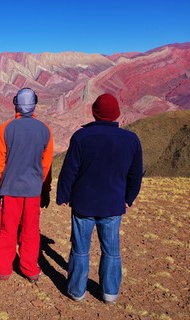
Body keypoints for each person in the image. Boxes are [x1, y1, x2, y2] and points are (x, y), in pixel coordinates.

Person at [56, 93, 143, 303]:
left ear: (94, 113)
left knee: (80, 249)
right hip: (113, 204)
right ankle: (110, 292)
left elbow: (70, 170)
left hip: (83, 203)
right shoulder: (131, 140)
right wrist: (128, 198)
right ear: (117, 115)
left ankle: (77, 291)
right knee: (111, 251)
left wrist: (63, 194)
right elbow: (135, 173)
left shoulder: (81, 137)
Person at [0, 88, 54, 282]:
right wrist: (45, 189)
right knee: (31, 230)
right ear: (34, 104)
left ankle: (3, 269)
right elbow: (46, 165)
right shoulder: (45, 129)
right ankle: (29, 268)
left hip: (10, 189)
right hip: (34, 189)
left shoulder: (5, 128)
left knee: (8, 229)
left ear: (16, 103)